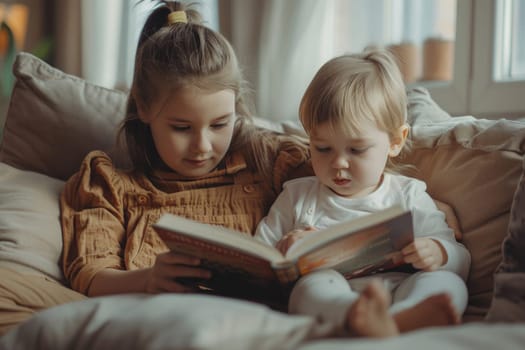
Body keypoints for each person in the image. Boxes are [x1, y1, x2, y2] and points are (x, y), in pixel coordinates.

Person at [59, 1, 311, 297]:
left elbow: (354, 181)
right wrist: (146, 279)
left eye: (219, 125)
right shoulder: (110, 187)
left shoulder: (268, 158)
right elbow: (90, 275)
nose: (202, 147)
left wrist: (314, 238)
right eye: (181, 128)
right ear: (143, 107)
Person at [254, 49, 471, 337]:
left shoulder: (408, 195)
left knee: (447, 282)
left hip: (402, 291)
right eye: (322, 148)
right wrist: (286, 249)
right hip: (334, 296)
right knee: (308, 290)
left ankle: (400, 319)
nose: (338, 163)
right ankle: (355, 317)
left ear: (395, 141)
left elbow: (460, 257)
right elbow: (259, 257)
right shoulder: (297, 197)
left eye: (356, 150)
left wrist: (438, 252)